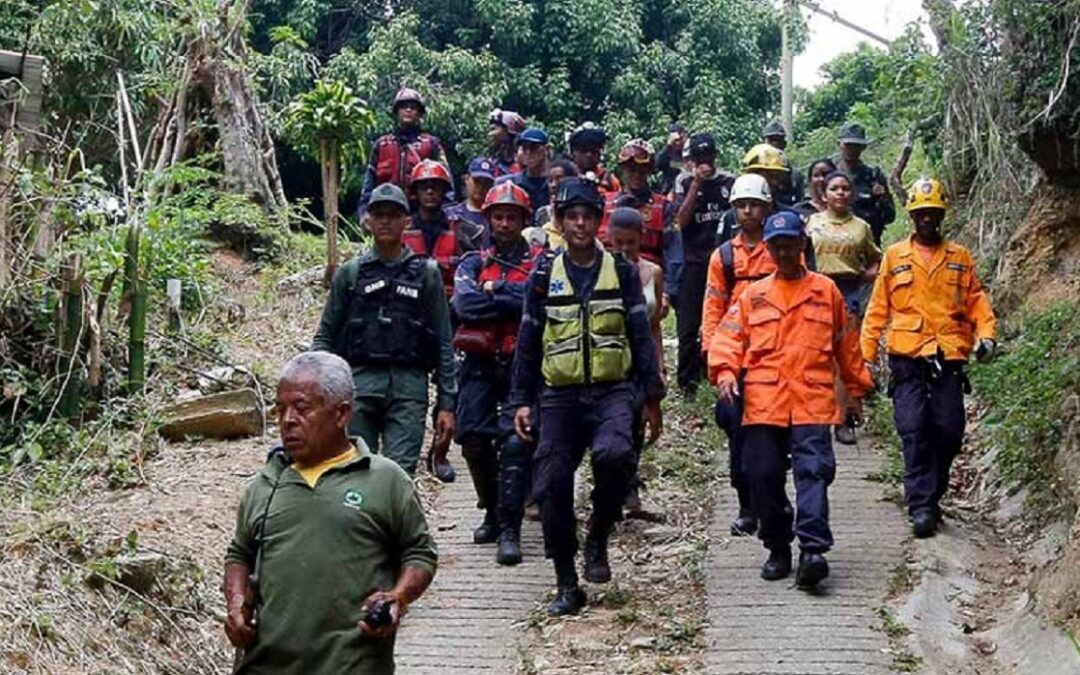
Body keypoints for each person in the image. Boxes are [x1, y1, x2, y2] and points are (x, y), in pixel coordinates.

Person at [224, 351, 437, 674]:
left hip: (352, 666)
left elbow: (420, 552)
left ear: (341, 414)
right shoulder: (264, 484)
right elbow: (240, 553)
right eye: (280, 409)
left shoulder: (385, 480)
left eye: (302, 408)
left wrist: (399, 597)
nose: (287, 420)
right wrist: (237, 603)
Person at [509, 177, 664, 616]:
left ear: (599, 222)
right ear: (561, 221)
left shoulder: (621, 270)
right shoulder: (543, 273)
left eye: (588, 216)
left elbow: (640, 333)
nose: (580, 224)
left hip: (613, 390)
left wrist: (651, 396)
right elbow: (528, 340)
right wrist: (521, 399)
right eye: (571, 216)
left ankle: (599, 533)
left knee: (616, 456)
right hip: (558, 395)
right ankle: (565, 579)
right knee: (551, 484)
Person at [710, 211, 873, 588]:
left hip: (812, 401)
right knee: (762, 476)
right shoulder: (754, 295)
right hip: (764, 402)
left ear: (803, 245)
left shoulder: (826, 292)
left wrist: (854, 394)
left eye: (789, 244)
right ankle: (778, 545)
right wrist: (726, 373)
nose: (783, 251)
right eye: (776, 245)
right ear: (767, 249)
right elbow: (728, 337)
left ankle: (813, 551)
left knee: (813, 474)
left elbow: (846, 346)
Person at [861, 178, 997, 538]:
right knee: (913, 429)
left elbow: (977, 302)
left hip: (949, 356)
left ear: (940, 216)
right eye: (920, 214)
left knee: (949, 431)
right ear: (912, 216)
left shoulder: (960, 258)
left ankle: (933, 494)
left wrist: (986, 336)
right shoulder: (894, 256)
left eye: (932, 213)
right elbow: (877, 309)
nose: (926, 219)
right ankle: (920, 504)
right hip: (908, 358)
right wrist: (866, 356)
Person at [312, 183, 457, 476]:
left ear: (407, 220)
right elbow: (325, 336)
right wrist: (315, 392)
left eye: (393, 214)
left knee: (399, 477)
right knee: (355, 474)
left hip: (409, 389)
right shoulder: (350, 274)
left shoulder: (426, 274)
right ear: (367, 220)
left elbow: (444, 341)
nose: (385, 221)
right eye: (378, 214)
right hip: (358, 386)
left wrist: (447, 404)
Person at [452, 182, 539, 565]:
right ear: (487, 219)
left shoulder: (539, 260)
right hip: (479, 364)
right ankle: (490, 508)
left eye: (511, 217)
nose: (504, 223)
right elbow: (465, 304)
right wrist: (506, 298)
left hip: (523, 363)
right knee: (470, 436)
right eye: (498, 216)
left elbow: (536, 301)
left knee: (517, 442)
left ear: (522, 220)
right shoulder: (472, 261)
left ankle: (510, 527)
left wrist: (495, 290)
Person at [700, 173, 791, 538]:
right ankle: (745, 506)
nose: (748, 212)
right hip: (736, 358)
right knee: (737, 432)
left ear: (768, 207)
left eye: (754, 205)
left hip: (777, 357)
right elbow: (712, 310)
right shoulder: (723, 257)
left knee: (775, 438)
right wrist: (715, 361)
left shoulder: (783, 249)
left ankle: (774, 501)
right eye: (741, 206)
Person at [403, 159, 484, 481]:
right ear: (415, 192)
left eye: (435, 187)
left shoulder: (464, 230)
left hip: (453, 319)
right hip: (410, 320)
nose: (430, 193)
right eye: (424, 187)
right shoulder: (402, 228)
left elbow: (478, 268)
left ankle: (439, 453)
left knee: (450, 388)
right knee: (412, 389)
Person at [807, 171, 882, 446]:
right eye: (834, 188)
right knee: (814, 355)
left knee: (845, 358)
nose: (840, 193)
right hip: (814, 290)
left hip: (848, 291)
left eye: (845, 188)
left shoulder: (861, 227)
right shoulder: (811, 223)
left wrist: (866, 276)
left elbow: (876, 259)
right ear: (824, 194)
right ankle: (812, 418)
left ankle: (843, 419)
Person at [607, 207, 666, 514]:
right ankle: (616, 489)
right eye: (619, 243)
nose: (625, 249)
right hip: (612, 358)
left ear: (641, 239)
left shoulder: (653, 272)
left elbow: (654, 324)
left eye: (631, 243)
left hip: (640, 360)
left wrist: (659, 364)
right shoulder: (601, 269)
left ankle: (629, 484)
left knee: (637, 424)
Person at [675, 132, 735, 395]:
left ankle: (719, 373)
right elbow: (680, 221)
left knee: (724, 321)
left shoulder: (729, 181)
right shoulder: (684, 180)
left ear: (715, 156)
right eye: (699, 158)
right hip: (694, 262)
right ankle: (688, 383)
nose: (704, 162)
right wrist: (695, 186)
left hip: (724, 262)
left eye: (708, 157)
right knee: (688, 325)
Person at [357, 88, 446, 217]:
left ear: (420, 114)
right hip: (387, 213)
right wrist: (364, 213)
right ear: (396, 112)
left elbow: (445, 182)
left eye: (413, 107)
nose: (408, 110)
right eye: (403, 107)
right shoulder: (382, 144)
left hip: (422, 215)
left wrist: (448, 212)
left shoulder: (431, 144)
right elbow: (368, 184)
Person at [834, 122, 896, 245]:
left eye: (856, 146)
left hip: (868, 246)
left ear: (863, 148)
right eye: (848, 145)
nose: (852, 150)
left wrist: (882, 197)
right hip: (836, 246)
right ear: (839, 145)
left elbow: (890, 216)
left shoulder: (873, 177)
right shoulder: (829, 175)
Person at [527, 158, 579, 243]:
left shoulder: (581, 210)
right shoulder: (543, 213)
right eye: (550, 180)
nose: (553, 185)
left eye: (559, 179)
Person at [503, 127, 552, 213]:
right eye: (525, 148)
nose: (528, 152)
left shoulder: (555, 182)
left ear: (546, 149)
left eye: (534, 147)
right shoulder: (510, 183)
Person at [444, 158, 496, 236]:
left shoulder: (497, 217)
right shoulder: (451, 215)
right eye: (477, 181)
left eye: (486, 183)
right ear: (466, 179)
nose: (481, 187)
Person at [568, 122, 621, 195]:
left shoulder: (610, 180)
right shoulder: (565, 175)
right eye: (584, 151)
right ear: (573, 152)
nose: (589, 155)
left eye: (594, 151)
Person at [761, 120, 805, 206]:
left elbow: (801, 203)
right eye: (771, 140)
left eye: (778, 140)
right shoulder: (754, 170)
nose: (774, 144)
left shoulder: (794, 175)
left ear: (784, 144)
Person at [488, 108, 526, 176]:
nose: (490, 134)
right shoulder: (492, 163)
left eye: (493, 129)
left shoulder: (525, 163)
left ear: (507, 130)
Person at [656, 123, 687, 196]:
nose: (678, 143)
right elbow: (658, 164)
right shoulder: (668, 153)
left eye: (679, 140)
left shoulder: (689, 152)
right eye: (675, 141)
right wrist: (669, 146)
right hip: (669, 193)